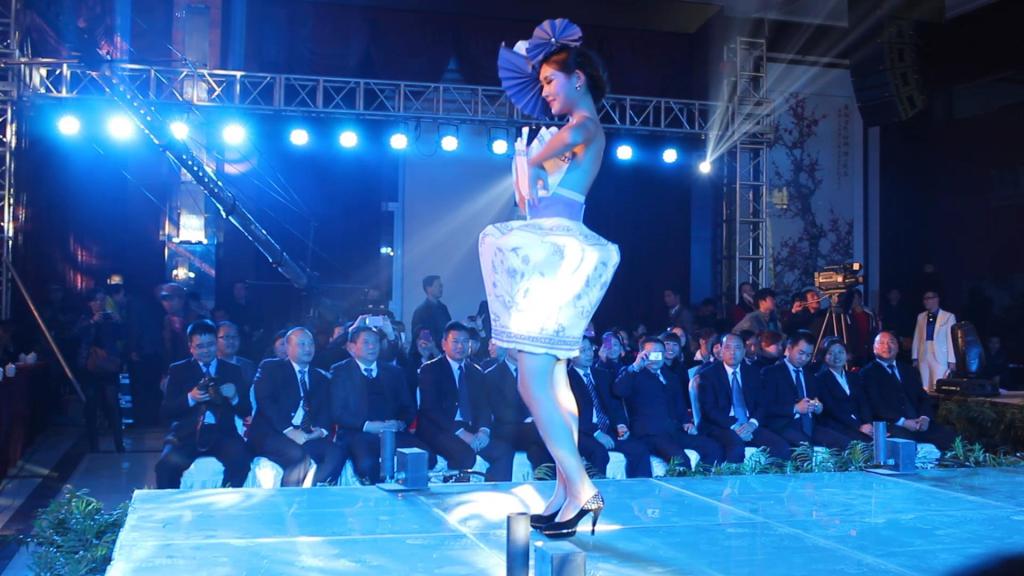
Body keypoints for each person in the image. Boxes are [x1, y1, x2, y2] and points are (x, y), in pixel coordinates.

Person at [484, 18, 617, 538]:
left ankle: (581, 488)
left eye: (549, 80)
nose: (543, 92)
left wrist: (532, 160)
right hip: (555, 249)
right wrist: (533, 166)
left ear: (577, 78)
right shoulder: (577, 131)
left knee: (532, 377)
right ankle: (565, 493)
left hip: (555, 254)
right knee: (553, 377)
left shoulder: (581, 127)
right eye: (540, 82)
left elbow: (535, 173)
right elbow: (533, 191)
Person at [154, 321, 251, 489]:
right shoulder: (178, 370)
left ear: (216, 343)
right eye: (200, 346)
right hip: (186, 435)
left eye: (210, 345)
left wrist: (234, 397)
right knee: (165, 468)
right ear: (190, 347)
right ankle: (172, 505)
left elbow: (246, 410)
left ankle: (226, 499)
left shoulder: (232, 370)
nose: (206, 350)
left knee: (241, 461)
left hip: (223, 434)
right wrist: (191, 398)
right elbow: (166, 412)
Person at [416, 322, 514, 482]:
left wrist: (484, 431)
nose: (460, 346)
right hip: (440, 429)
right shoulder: (430, 370)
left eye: (465, 341)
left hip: (470, 427)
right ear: (444, 344)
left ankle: (494, 493)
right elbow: (430, 410)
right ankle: (455, 492)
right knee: (464, 455)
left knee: (503, 451)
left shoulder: (476, 371)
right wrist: (461, 433)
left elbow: (484, 406)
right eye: (455, 341)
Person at [249, 328, 346, 486]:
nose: (308, 348)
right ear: (288, 348)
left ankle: (310, 491)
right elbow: (266, 402)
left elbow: (326, 410)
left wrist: (321, 431)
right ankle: (290, 497)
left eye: (311, 344)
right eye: (302, 344)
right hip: (273, 433)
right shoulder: (271, 368)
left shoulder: (320, 377)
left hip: (305, 434)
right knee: (299, 456)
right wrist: (289, 431)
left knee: (336, 452)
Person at [331, 325, 427, 484]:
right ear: (352, 347)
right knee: (368, 465)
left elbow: (409, 407)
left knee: (424, 457)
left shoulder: (394, 372)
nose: (372, 346)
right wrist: (368, 426)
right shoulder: (341, 372)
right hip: (358, 432)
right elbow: (338, 412)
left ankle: (408, 496)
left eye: (375, 342)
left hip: (392, 430)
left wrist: (399, 423)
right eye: (366, 342)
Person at [613, 337, 725, 469]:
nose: (657, 357)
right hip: (649, 434)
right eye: (651, 353)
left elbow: (680, 405)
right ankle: (683, 481)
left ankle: (703, 478)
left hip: (674, 431)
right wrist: (636, 366)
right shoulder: (632, 373)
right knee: (680, 459)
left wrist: (686, 422)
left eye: (660, 353)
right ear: (641, 354)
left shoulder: (670, 376)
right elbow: (619, 391)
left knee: (712, 448)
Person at [694, 334, 792, 462]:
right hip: (721, 425)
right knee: (736, 447)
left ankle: (767, 475)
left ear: (744, 351)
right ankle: (731, 476)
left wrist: (752, 424)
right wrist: (735, 427)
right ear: (721, 351)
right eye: (728, 348)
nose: (732, 352)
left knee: (781, 447)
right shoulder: (708, 375)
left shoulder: (754, 372)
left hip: (749, 424)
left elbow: (762, 404)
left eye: (737, 348)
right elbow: (709, 410)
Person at [567, 337, 651, 478]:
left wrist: (620, 424)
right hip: (582, 432)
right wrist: (596, 433)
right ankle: (595, 490)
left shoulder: (602, 374)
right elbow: (569, 414)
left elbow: (614, 405)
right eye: (583, 351)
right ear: (570, 354)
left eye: (590, 349)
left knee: (639, 449)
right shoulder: (565, 378)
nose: (589, 354)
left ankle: (638, 489)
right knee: (599, 453)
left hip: (608, 430)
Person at [861, 331, 956, 451]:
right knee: (908, 443)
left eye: (891, 342)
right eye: (881, 343)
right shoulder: (867, 373)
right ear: (874, 348)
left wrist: (925, 418)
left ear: (897, 347)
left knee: (949, 435)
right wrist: (902, 422)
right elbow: (875, 405)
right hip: (892, 424)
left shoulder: (909, 370)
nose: (887, 346)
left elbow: (923, 397)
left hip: (918, 423)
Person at [759, 331, 852, 451]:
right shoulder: (771, 372)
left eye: (808, 355)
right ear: (789, 348)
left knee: (845, 444)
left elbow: (816, 400)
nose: (804, 358)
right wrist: (794, 408)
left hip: (810, 425)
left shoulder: (810, 375)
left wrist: (818, 407)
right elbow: (766, 406)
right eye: (801, 353)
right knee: (806, 448)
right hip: (784, 424)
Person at [485, 348, 554, 472]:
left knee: (537, 449)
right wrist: (529, 419)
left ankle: (544, 477)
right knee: (543, 433)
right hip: (506, 429)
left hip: (532, 429)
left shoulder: (535, 372)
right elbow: (500, 411)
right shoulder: (492, 375)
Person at [75, 288, 125, 452]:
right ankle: (93, 444)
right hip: (90, 367)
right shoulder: (85, 319)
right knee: (91, 405)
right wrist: (92, 322)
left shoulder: (110, 319)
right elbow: (76, 335)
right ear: (90, 303)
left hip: (108, 366)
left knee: (113, 403)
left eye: (102, 299)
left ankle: (119, 443)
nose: (99, 303)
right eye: (96, 300)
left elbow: (119, 338)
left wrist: (119, 322)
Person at [815, 337, 875, 442]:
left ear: (847, 355)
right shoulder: (820, 379)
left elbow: (863, 403)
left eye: (840, 352)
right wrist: (858, 426)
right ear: (824, 356)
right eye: (831, 353)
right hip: (837, 427)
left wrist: (867, 423)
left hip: (861, 426)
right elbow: (832, 409)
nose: (836, 356)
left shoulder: (854, 377)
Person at [912, 290, 957, 392]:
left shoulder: (948, 316)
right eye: (925, 299)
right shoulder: (921, 316)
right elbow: (917, 337)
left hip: (940, 355)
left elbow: (951, 339)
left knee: (938, 383)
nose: (926, 301)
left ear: (936, 299)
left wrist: (952, 360)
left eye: (929, 298)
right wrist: (914, 357)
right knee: (924, 384)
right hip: (924, 353)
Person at [410, 275, 452, 346]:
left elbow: (449, 328)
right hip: (430, 349)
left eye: (441, 286)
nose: (441, 288)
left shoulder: (443, 308)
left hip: (444, 348)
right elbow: (419, 335)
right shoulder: (420, 311)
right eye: (438, 286)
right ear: (428, 289)